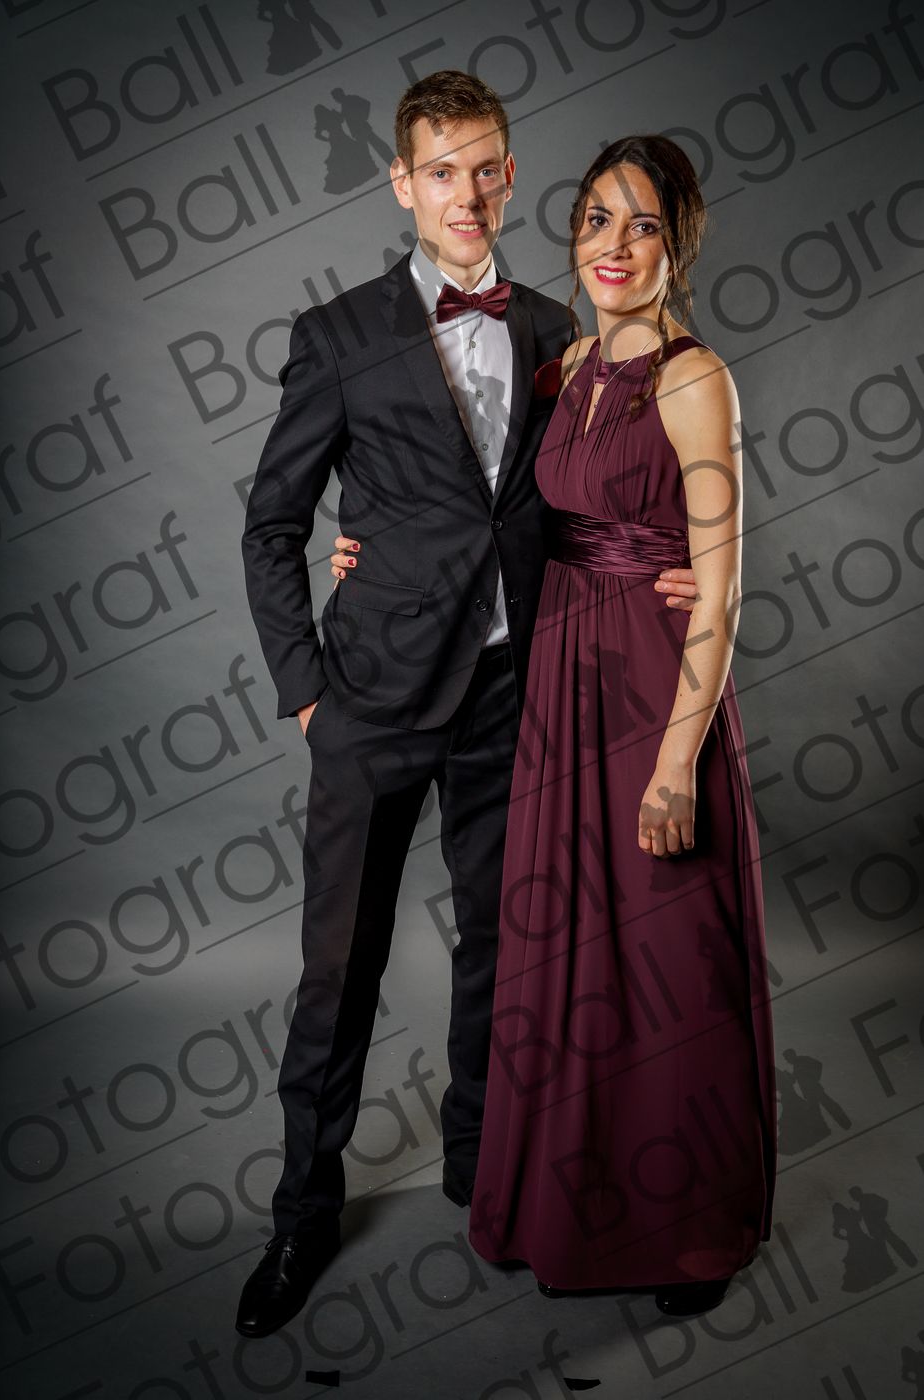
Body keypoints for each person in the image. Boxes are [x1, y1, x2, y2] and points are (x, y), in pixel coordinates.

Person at [236, 74, 697, 1339]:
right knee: (339, 968)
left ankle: (481, 1167)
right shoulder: (338, 333)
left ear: (510, 174)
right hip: (373, 701)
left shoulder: (558, 330)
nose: (469, 193)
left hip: (513, 695)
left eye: (487, 167)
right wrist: (306, 692)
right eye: (442, 170)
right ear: (404, 183)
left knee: (507, 950)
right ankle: (302, 1211)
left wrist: (674, 565)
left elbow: (580, 499)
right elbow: (274, 525)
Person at [459, 135, 777, 1317]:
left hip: (654, 694)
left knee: (668, 957)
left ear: (677, 245)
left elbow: (723, 584)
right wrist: (359, 544)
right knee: (570, 951)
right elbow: (494, 515)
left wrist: (678, 761)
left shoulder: (696, 378)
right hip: (561, 683)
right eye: (597, 218)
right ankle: (561, 1205)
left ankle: (689, 1228)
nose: (614, 244)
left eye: (643, 224)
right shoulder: (563, 370)